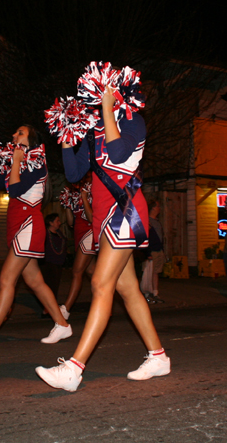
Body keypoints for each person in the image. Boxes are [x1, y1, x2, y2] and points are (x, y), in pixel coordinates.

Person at [36, 83, 168, 392]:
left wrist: (108, 109)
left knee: (100, 283)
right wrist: (68, 138)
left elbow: (121, 153)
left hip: (126, 208)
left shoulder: (133, 120)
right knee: (129, 290)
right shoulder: (96, 129)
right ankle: (159, 356)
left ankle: (74, 368)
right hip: (103, 215)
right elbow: (72, 174)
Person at [0, 126, 71, 348]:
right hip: (16, 227)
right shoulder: (15, 164)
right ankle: (62, 325)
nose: (13, 135)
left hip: (29, 225)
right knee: (35, 281)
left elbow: (15, 190)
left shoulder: (37, 164)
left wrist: (17, 160)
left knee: (6, 279)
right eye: (14, 133)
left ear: (31, 139)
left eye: (20, 133)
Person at [60, 178, 96, 318]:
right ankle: (103, 304)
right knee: (92, 273)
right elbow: (70, 223)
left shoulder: (90, 189)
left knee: (76, 271)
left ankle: (66, 308)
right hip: (79, 234)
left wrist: (84, 198)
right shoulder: (73, 193)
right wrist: (67, 206)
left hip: (89, 232)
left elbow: (91, 218)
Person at [40, 213, 67, 312]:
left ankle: (51, 307)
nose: (59, 223)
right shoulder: (46, 233)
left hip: (58, 263)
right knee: (49, 285)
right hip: (47, 263)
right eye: (57, 221)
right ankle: (47, 308)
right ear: (51, 223)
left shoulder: (59, 234)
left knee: (55, 285)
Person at [141, 200, 165, 303]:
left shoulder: (157, 222)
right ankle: (146, 294)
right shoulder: (147, 221)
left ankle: (155, 293)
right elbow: (144, 237)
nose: (159, 208)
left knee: (156, 272)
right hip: (151, 251)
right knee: (148, 272)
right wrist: (147, 252)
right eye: (158, 206)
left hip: (158, 250)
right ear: (153, 208)